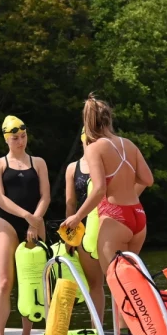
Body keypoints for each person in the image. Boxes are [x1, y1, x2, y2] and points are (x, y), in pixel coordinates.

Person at [60, 94, 154, 278]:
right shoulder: (129, 144)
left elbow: (99, 189)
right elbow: (148, 180)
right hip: (138, 215)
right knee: (131, 283)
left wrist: (77, 217)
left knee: (117, 285)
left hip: (114, 217)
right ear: (109, 119)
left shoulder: (95, 148)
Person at [0, 115, 50, 335]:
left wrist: (35, 221)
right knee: (4, 281)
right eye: (15, 138)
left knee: (32, 281)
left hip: (35, 221)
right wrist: (26, 216)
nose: (21, 142)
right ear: (7, 139)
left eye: (23, 136)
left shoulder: (38, 162)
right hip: (9, 222)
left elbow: (45, 195)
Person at [63, 129, 105, 314]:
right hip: (85, 226)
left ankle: (121, 331)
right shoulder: (73, 168)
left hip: (106, 223)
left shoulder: (106, 164)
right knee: (94, 283)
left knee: (115, 280)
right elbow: (71, 204)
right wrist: (69, 237)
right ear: (82, 142)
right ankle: (99, 332)